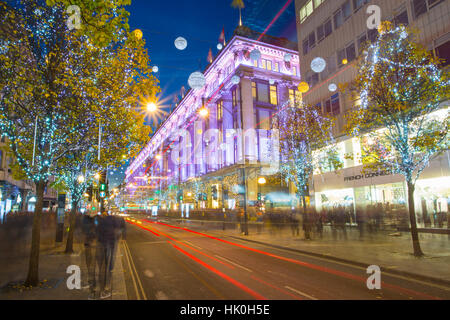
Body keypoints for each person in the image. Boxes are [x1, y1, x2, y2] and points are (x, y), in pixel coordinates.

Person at [96, 211, 118, 299]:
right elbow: (113, 234)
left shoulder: (100, 222)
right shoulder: (111, 222)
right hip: (108, 245)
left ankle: (102, 289)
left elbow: (98, 233)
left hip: (102, 245)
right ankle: (103, 291)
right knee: (105, 266)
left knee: (102, 266)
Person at [82, 212, 97, 299]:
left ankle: (91, 282)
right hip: (90, 242)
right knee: (90, 262)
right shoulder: (92, 222)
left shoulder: (85, 221)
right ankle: (92, 284)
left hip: (87, 242)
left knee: (89, 261)